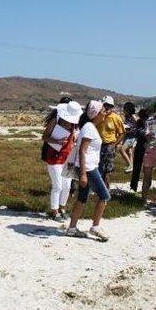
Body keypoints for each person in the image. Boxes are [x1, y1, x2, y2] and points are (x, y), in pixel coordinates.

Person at [65, 101, 111, 241]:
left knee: (82, 197)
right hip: (89, 168)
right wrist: (84, 174)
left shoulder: (89, 126)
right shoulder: (89, 128)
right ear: (96, 114)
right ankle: (95, 227)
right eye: (103, 110)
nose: (105, 112)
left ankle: (72, 228)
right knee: (104, 195)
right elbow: (82, 150)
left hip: (87, 167)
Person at [42, 100, 83, 221]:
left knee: (67, 185)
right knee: (58, 186)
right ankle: (54, 211)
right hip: (54, 157)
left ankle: (62, 208)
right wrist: (56, 142)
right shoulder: (56, 120)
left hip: (68, 157)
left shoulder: (75, 123)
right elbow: (44, 137)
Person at [96, 96, 125, 188]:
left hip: (109, 146)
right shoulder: (97, 116)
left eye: (109, 106)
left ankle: (105, 190)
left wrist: (114, 145)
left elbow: (122, 133)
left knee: (107, 170)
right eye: (105, 105)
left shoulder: (116, 118)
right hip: (97, 146)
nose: (107, 107)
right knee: (97, 167)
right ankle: (98, 188)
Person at [129, 108, 149, 192]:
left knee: (143, 169)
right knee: (140, 168)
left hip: (142, 147)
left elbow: (137, 133)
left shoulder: (142, 123)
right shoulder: (141, 123)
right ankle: (134, 187)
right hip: (142, 147)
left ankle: (136, 187)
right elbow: (138, 133)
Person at [118, 102, 138, 173]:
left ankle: (130, 165)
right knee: (128, 151)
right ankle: (130, 166)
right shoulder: (126, 116)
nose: (123, 111)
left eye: (124, 109)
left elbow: (138, 126)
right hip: (127, 135)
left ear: (128, 110)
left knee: (122, 150)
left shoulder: (133, 117)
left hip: (132, 137)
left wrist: (131, 129)